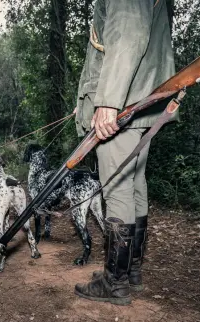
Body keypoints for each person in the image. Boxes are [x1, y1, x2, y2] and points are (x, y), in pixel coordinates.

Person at [74, 0, 176, 305]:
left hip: (124, 100)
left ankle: (114, 283)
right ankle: (130, 272)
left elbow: (128, 33)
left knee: (117, 188)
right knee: (134, 184)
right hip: (145, 100)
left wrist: (108, 102)